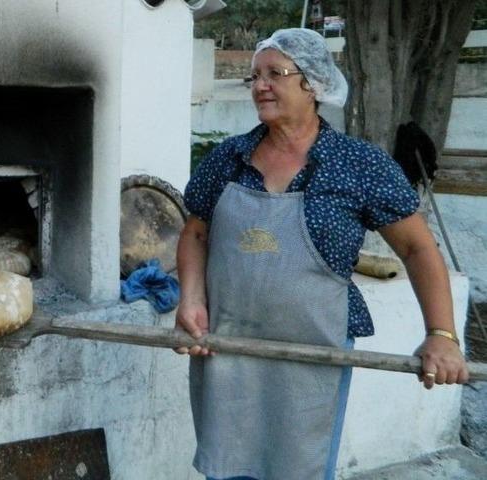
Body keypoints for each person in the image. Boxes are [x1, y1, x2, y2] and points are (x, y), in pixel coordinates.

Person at [175, 28, 469, 480]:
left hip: (313, 351)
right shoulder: (228, 158)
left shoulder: (357, 164)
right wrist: (191, 301)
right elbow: (196, 232)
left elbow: (417, 248)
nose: (260, 85)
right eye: (254, 76)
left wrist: (442, 335)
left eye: (275, 74)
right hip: (228, 343)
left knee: (299, 468)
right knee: (228, 464)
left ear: (312, 84)